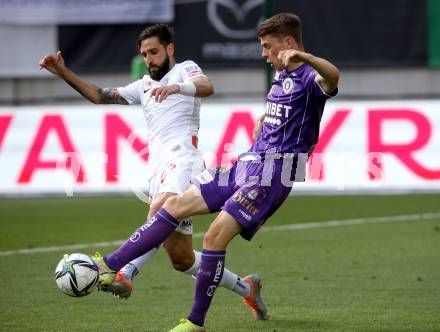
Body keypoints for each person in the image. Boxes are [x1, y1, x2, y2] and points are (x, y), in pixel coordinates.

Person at [83, 12, 339, 331]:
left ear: (289, 44)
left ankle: (195, 322)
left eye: (268, 47)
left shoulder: (310, 78)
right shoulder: (281, 74)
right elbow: (286, 113)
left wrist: (305, 56)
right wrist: (265, 121)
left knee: (215, 236)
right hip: (247, 163)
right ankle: (109, 265)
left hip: (274, 174)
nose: (264, 53)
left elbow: (333, 77)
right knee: (172, 207)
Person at [39, 24, 269, 320]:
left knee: (162, 211)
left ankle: (124, 271)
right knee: (182, 260)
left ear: (169, 49)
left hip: (184, 161)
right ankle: (246, 287)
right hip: (158, 171)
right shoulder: (143, 86)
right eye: (144, 54)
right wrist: (63, 73)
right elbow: (99, 95)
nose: (149, 59)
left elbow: (207, 86)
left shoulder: (185, 69)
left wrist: (177, 87)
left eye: (154, 52)